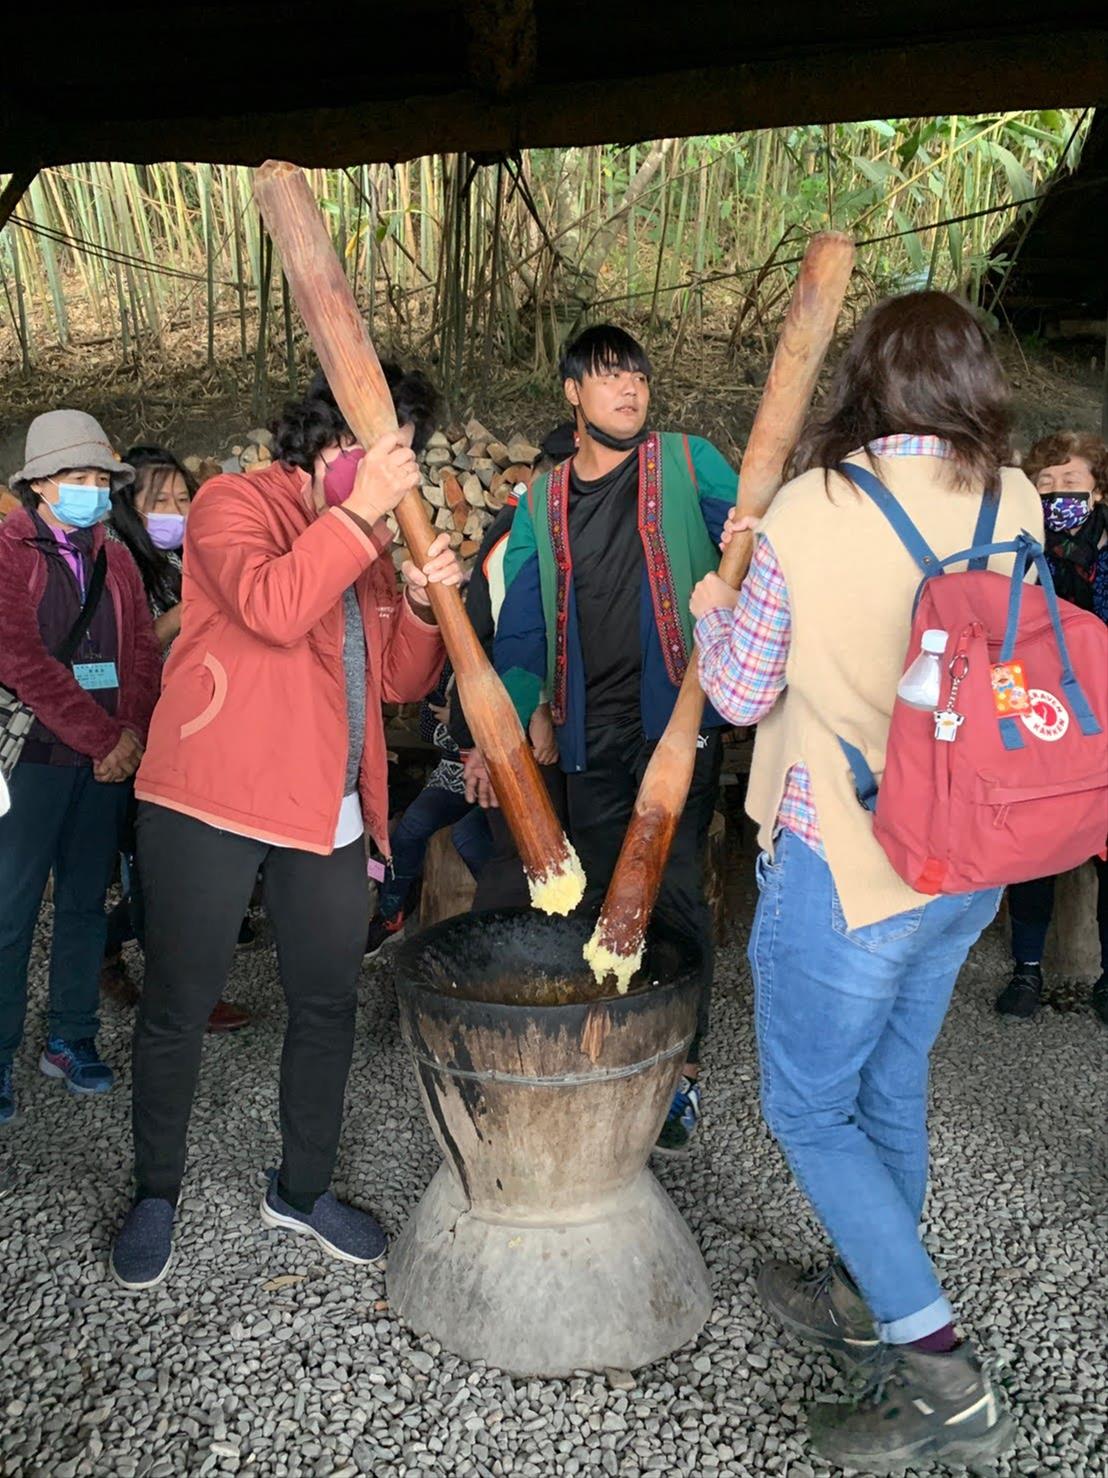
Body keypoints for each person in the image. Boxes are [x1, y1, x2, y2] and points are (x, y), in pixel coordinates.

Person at [691, 291, 1042, 1470]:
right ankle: (861, 1291)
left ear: (865, 381)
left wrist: (715, 603)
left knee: (807, 1108)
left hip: (850, 854)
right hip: (972, 856)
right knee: (889, 1080)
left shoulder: (811, 505)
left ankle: (939, 1369)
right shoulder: (1014, 495)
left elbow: (740, 692)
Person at [109, 367, 460, 1290]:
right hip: (211, 798)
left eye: (400, 453)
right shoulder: (232, 504)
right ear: (318, 437)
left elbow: (398, 680)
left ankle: (302, 1190)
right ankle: (155, 1192)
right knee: (178, 1001)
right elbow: (272, 607)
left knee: (327, 1004)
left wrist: (422, 602)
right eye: (370, 446)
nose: (385, 467)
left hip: (328, 810)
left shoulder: (368, 539)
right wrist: (364, 517)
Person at [475, 327, 736, 1152]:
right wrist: (514, 725)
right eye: (611, 375)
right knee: (596, 898)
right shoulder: (542, 502)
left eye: (639, 377)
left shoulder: (689, 462)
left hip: (679, 726)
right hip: (590, 733)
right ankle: (612, 1043)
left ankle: (680, 1073)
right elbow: (521, 628)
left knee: (677, 891)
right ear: (573, 393)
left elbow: (757, 546)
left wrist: (750, 546)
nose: (630, 389)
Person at [0, 411, 162, 1124]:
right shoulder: (8, 552)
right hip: (32, 761)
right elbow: (21, 661)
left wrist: (131, 734)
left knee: (84, 904)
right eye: (76, 477)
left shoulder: (115, 557)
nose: (92, 490)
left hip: (104, 765)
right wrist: (104, 739)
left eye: (100, 479)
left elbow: (143, 655)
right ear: (38, 483)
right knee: (9, 911)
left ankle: (71, 1035)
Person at [104, 445, 251, 1032]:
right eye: (158, 500)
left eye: (183, 498)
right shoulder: (117, 564)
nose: (174, 511)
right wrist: (187, 612)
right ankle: (182, 997)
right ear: (129, 507)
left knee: (183, 875)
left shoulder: (191, 556)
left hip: (201, 733)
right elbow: (121, 653)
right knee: (160, 877)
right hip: (143, 741)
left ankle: (105, 945)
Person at [996, 430, 1108, 1024]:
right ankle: (1027, 969)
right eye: (1046, 482)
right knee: (1032, 841)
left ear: (1098, 489)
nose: (1058, 492)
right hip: (1036, 713)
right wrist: (1008, 714)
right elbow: (1000, 636)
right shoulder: (1015, 549)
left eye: (1072, 481)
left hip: (1102, 714)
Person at [450, 423, 576, 912]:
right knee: (525, 852)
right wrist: (537, 709)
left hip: (505, 715)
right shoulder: (514, 537)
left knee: (533, 847)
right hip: (505, 717)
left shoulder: (530, 525)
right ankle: (492, 948)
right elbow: (513, 635)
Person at [363, 661, 492, 955]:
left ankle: (498, 916)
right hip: (452, 775)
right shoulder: (446, 665)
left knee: (472, 839)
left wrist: (456, 720)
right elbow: (427, 727)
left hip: (499, 775)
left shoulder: (500, 658)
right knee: (409, 829)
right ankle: (391, 913)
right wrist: (464, 726)